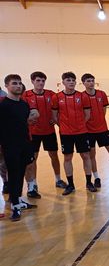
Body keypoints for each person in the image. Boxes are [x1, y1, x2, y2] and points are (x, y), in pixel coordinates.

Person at [22, 71, 67, 199]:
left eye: (43, 81)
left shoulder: (51, 94)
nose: (41, 83)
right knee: (33, 159)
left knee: (54, 156)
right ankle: (34, 184)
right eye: (38, 80)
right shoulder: (26, 95)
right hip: (33, 133)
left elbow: (59, 109)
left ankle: (58, 179)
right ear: (32, 81)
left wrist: (55, 118)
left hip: (49, 132)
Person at [0, 74, 38, 221]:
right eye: (14, 83)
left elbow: (25, 123)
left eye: (19, 83)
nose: (18, 86)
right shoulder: (3, 106)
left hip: (24, 144)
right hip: (10, 146)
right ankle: (15, 205)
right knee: (14, 174)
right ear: (7, 86)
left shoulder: (24, 104)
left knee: (21, 173)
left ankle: (19, 200)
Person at [51, 72, 96, 195]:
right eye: (68, 80)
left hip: (81, 132)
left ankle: (89, 182)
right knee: (67, 157)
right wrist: (63, 126)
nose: (71, 82)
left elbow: (87, 114)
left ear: (76, 82)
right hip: (66, 134)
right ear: (63, 82)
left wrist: (79, 125)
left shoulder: (82, 96)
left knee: (85, 156)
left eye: (73, 80)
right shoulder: (56, 97)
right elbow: (54, 116)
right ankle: (70, 185)